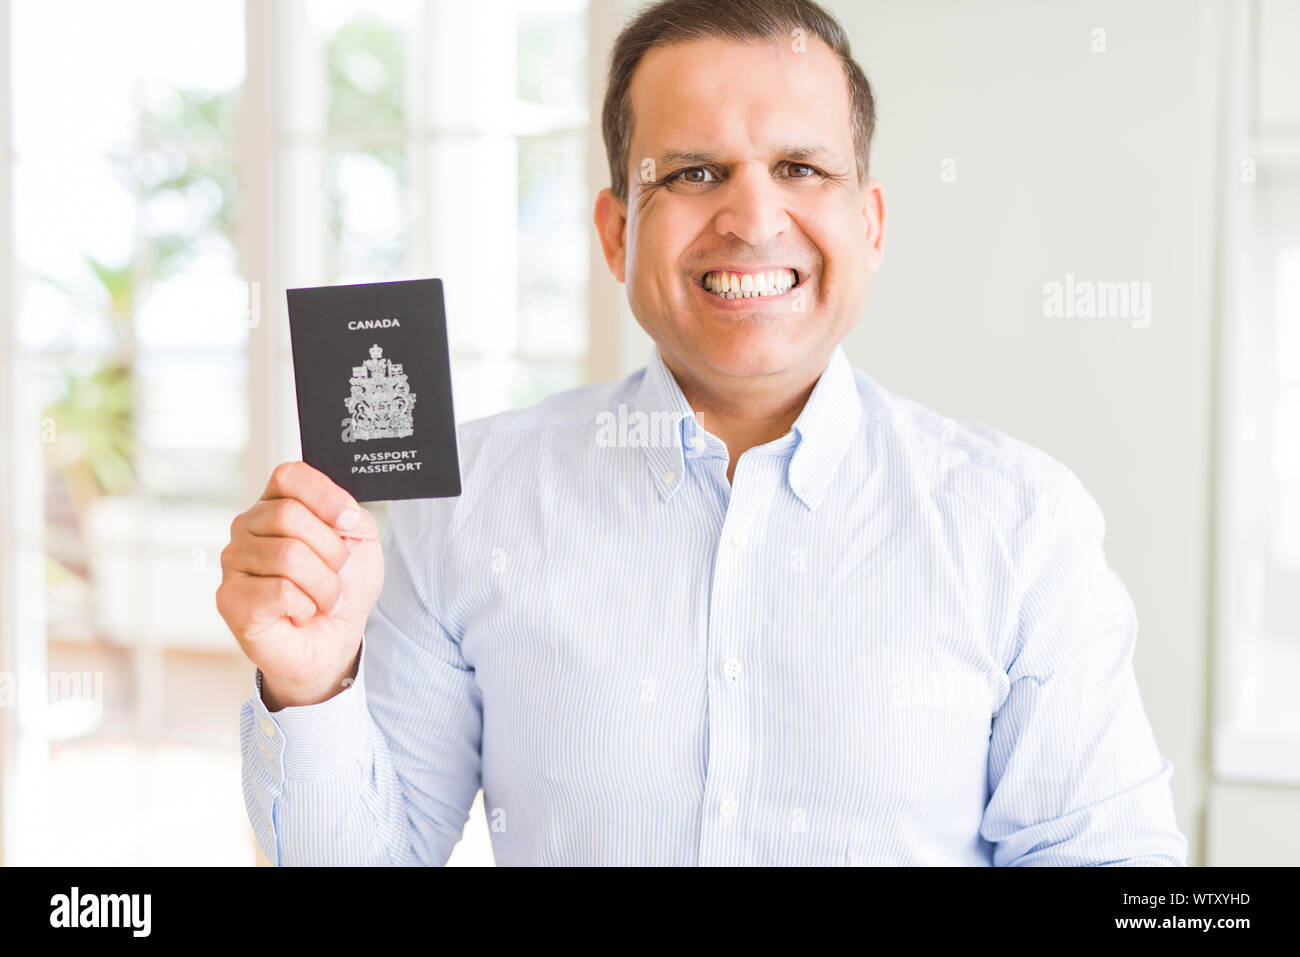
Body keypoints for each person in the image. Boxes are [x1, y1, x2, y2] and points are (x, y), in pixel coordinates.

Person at [217, 0, 1187, 866]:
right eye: (691, 171)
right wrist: (310, 686)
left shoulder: (1020, 524)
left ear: (871, 224)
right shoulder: (469, 505)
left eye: (801, 168)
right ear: (615, 233)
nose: (753, 216)